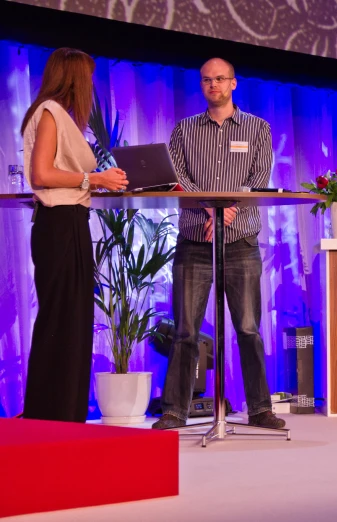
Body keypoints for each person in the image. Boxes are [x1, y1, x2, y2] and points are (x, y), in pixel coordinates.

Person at [152, 57, 285, 430]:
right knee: (186, 330)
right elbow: (176, 178)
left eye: (220, 79)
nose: (214, 85)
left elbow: (260, 177)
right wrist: (211, 208)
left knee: (248, 328)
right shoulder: (184, 130)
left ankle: (259, 409)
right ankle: (175, 411)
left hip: (241, 239)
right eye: (207, 80)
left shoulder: (258, 129)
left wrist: (227, 209)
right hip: (195, 238)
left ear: (234, 84)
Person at [20, 48, 128, 422]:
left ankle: (63, 414)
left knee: (70, 322)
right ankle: (50, 415)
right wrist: (94, 178)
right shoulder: (50, 112)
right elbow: (42, 175)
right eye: (89, 79)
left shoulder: (58, 115)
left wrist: (97, 184)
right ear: (76, 79)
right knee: (60, 322)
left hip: (70, 222)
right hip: (59, 224)